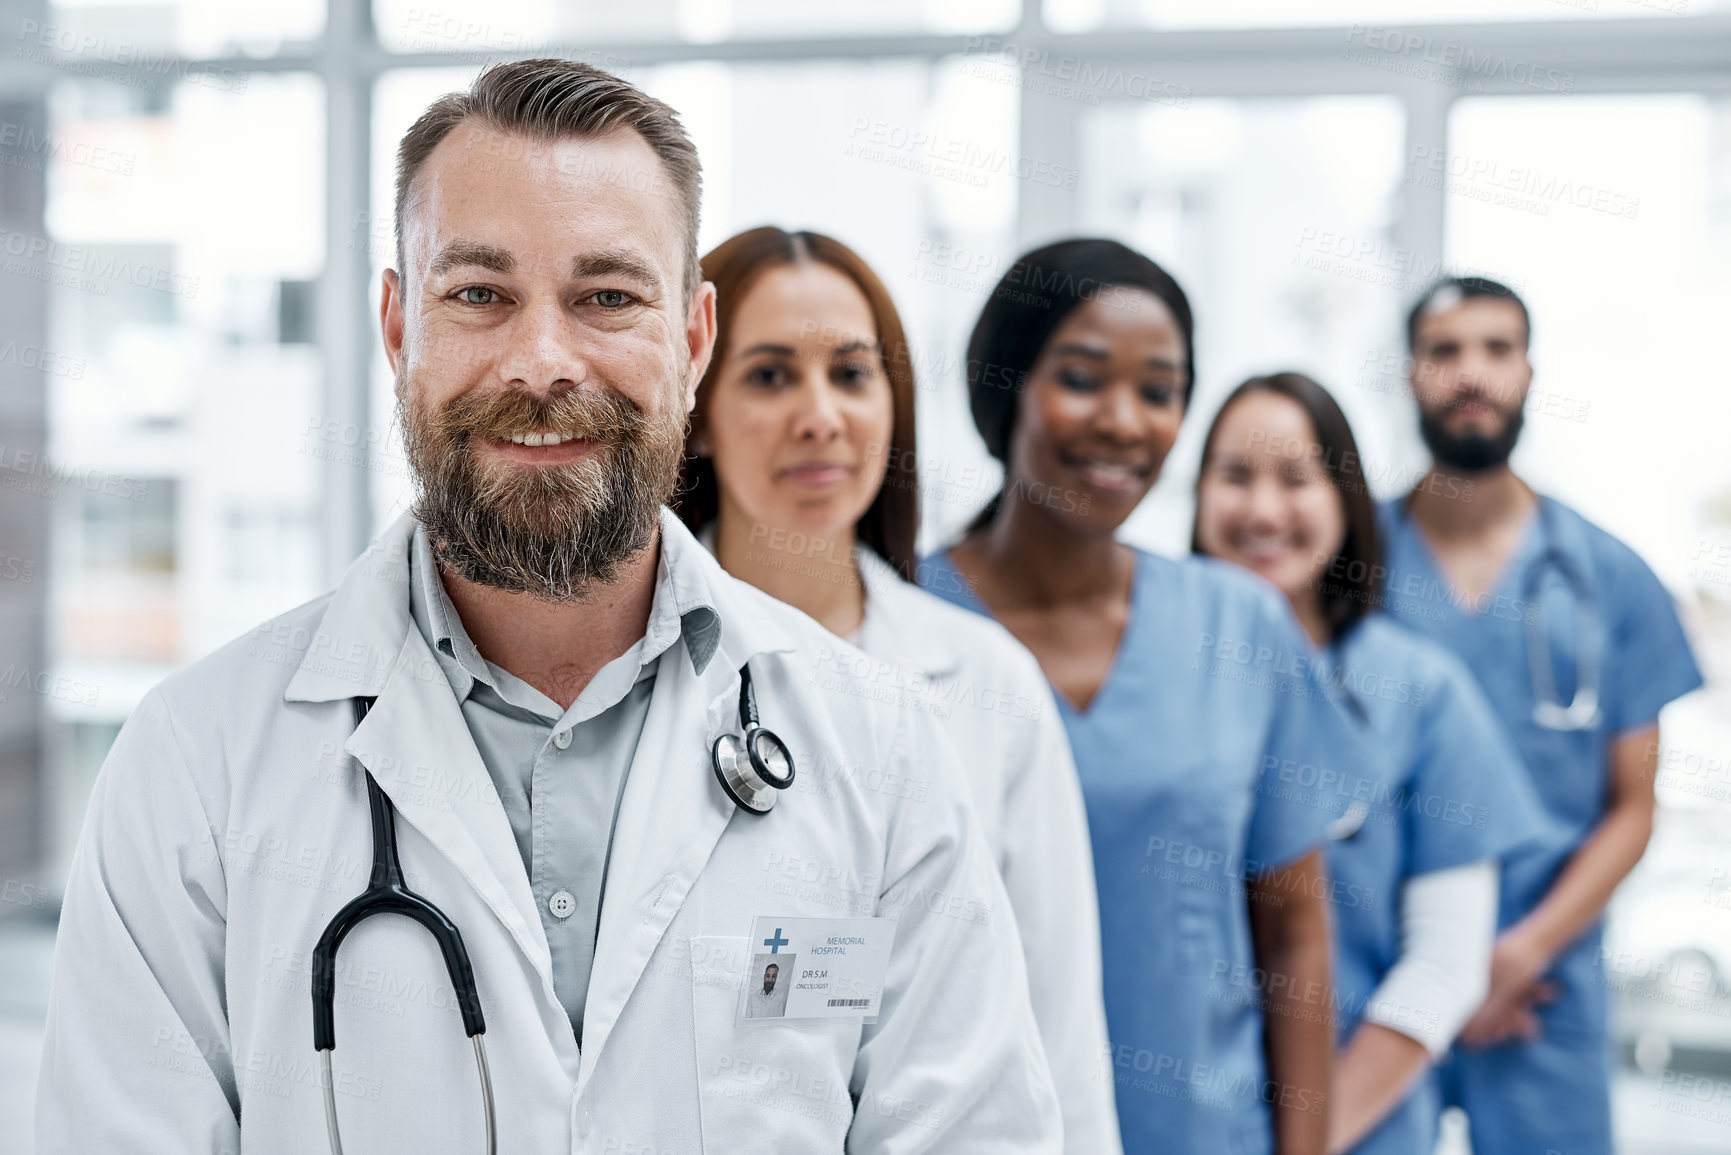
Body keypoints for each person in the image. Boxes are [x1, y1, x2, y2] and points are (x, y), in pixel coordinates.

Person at [35, 59, 1063, 1154]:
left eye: (607, 297)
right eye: (478, 294)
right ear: (397, 328)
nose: (541, 362)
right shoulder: (195, 767)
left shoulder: (882, 751)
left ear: (694, 338)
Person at [673, 226, 1120, 1154]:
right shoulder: (628, 673)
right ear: (696, 408)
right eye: (768, 375)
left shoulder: (985, 683)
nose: (819, 415)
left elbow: (1060, 1042)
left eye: (850, 372)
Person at [920, 238, 1368, 1155]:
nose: (1125, 421)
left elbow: (1293, 936)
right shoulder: (898, 624)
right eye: (1083, 377)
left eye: (1159, 390)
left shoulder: (1237, 626)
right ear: (1007, 386)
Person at [1378, 277, 1704, 1155]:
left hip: (1541, 984)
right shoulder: (1348, 567)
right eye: (1445, 350)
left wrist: (1512, 956)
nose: (1470, 373)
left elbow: (1633, 806)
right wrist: (1438, 972)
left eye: (1495, 348)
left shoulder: (1610, 574)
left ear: (1528, 371)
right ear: (1409, 373)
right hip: (1378, 975)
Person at [1191, 371, 1546, 1154]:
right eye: (1234, 475)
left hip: (1357, 1130)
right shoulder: (1157, 669)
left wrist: (1301, 1141)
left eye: (1295, 477)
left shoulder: (1419, 693)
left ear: (1345, 502)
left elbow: (1444, 967)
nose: (1262, 508)